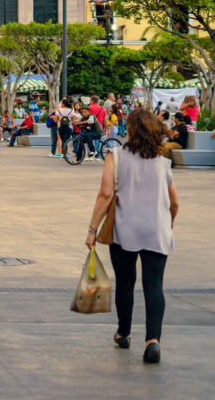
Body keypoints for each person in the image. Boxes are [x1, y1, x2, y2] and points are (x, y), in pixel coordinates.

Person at [85, 109, 178, 365]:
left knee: (125, 283)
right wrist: (169, 221)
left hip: (124, 230)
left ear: (131, 130)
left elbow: (105, 196)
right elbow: (174, 202)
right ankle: (153, 341)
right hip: (157, 230)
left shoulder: (115, 156)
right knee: (154, 286)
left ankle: (124, 333)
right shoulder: (163, 162)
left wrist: (92, 230)